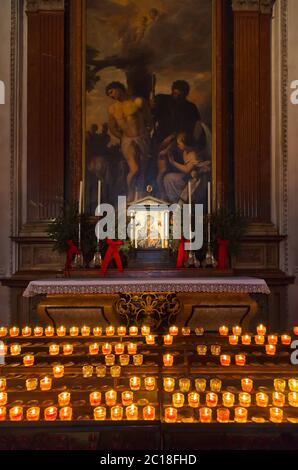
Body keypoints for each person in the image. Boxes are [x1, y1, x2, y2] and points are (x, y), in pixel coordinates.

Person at [106, 81, 153, 201]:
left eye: (112, 91)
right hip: (127, 140)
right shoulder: (112, 109)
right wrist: (122, 137)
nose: (112, 95)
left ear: (119, 88)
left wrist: (145, 133)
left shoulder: (138, 102)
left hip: (141, 138)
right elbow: (112, 127)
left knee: (142, 168)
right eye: (109, 95)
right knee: (134, 169)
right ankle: (131, 192)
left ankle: (140, 193)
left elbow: (149, 120)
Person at [151, 80, 203, 147]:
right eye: (175, 94)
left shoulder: (191, 107)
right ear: (172, 91)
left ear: (185, 95)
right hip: (160, 136)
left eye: (180, 95)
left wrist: (176, 135)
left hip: (179, 139)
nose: (177, 97)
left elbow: (196, 125)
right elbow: (152, 115)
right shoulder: (162, 99)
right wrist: (151, 106)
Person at [162, 133, 210, 203]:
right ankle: (173, 200)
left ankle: (179, 203)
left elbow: (187, 170)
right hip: (189, 176)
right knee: (168, 178)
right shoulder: (185, 151)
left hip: (196, 180)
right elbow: (172, 147)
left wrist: (173, 162)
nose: (178, 145)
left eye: (180, 143)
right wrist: (166, 151)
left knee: (170, 179)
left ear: (186, 144)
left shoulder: (193, 154)